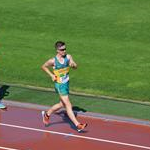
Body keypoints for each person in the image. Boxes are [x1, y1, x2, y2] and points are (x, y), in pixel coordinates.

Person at [41, 41, 87, 132]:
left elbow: (75, 66)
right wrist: (51, 75)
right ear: (57, 50)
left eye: (65, 49)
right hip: (59, 85)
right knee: (68, 104)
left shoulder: (68, 57)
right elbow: (44, 66)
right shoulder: (53, 61)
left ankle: (47, 114)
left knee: (61, 104)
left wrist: (73, 65)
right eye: (62, 49)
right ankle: (77, 125)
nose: (64, 51)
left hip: (66, 83)